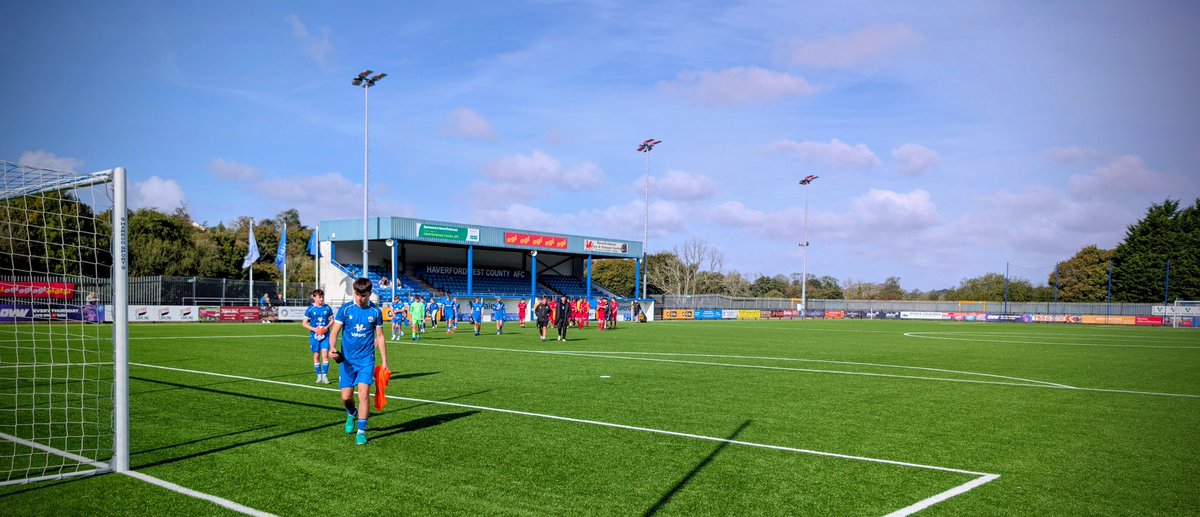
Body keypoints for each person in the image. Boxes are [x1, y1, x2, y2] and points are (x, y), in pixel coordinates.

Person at [328, 278, 389, 445]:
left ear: (370, 294)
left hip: (366, 360)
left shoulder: (375, 312)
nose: (359, 298)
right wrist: (332, 348)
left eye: (363, 295)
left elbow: (380, 337)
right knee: (346, 398)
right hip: (347, 361)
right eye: (356, 294)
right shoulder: (345, 309)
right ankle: (351, 413)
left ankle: (361, 432)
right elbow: (334, 332)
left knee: (363, 394)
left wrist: (384, 361)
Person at [302, 289, 335, 384]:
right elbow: (304, 323)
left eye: (322, 297)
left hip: (325, 336)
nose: (321, 299)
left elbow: (332, 320)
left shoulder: (327, 308)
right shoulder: (310, 309)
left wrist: (326, 327)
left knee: (325, 355)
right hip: (314, 336)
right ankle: (319, 376)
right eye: (319, 297)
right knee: (316, 355)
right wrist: (315, 329)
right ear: (314, 297)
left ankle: (325, 376)